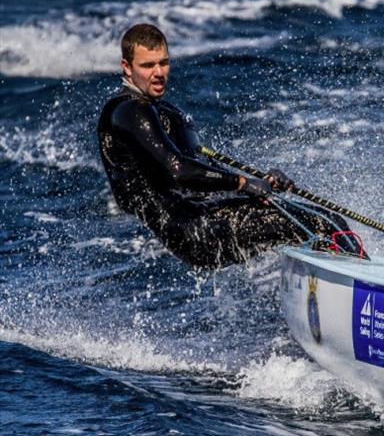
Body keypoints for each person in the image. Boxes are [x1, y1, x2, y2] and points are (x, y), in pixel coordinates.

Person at [97, 23, 357, 268]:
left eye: (164, 63)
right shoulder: (130, 111)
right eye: (148, 65)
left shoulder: (160, 110)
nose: (159, 73)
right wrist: (242, 184)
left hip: (206, 214)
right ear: (127, 67)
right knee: (319, 223)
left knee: (323, 221)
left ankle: (335, 286)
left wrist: (259, 182)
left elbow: (202, 170)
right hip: (195, 231)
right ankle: (366, 290)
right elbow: (181, 171)